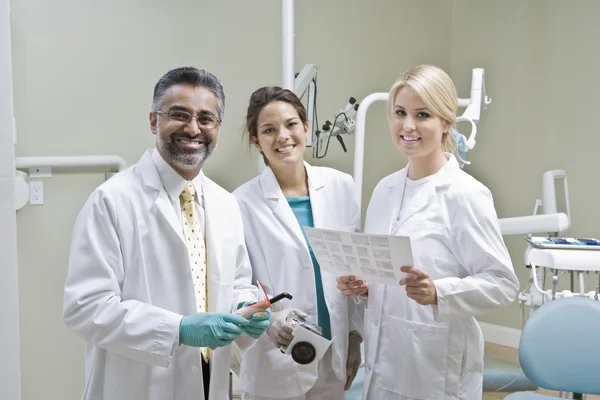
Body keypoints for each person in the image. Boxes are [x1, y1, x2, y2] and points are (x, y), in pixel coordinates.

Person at [63, 67, 271, 400]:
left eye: (206, 119)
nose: (193, 128)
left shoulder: (225, 204)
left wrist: (246, 307)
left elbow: (237, 281)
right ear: (153, 121)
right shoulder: (112, 200)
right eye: (179, 115)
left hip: (208, 379)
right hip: (137, 384)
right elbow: (85, 307)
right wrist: (178, 329)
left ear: (217, 127)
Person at [336, 65, 519, 400]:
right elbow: (387, 273)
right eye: (400, 113)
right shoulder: (384, 190)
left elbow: (503, 284)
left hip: (436, 369)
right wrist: (364, 287)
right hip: (384, 358)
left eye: (422, 114)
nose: (408, 126)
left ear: (446, 121)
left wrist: (439, 292)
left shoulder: (465, 194)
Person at [232, 86, 364, 400]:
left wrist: (355, 336)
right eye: (268, 129)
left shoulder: (341, 187)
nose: (283, 136)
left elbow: (355, 268)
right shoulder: (240, 202)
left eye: (291, 124)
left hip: (333, 354)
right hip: (274, 358)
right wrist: (266, 321)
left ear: (305, 128)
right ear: (256, 140)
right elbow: (237, 283)